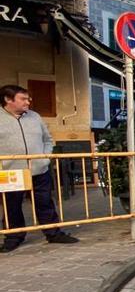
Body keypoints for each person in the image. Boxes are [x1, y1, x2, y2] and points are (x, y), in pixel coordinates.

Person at [0, 84, 79, 251]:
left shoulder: (34, 116)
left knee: (45, 203)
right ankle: (13, 237)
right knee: (11, 206)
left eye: (28, 98)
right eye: (23, 99)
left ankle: (53, 233)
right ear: (8, 100)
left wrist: (45, 158)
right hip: (10, 173)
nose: (28, 102)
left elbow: (48, 139)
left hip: (39, 169)